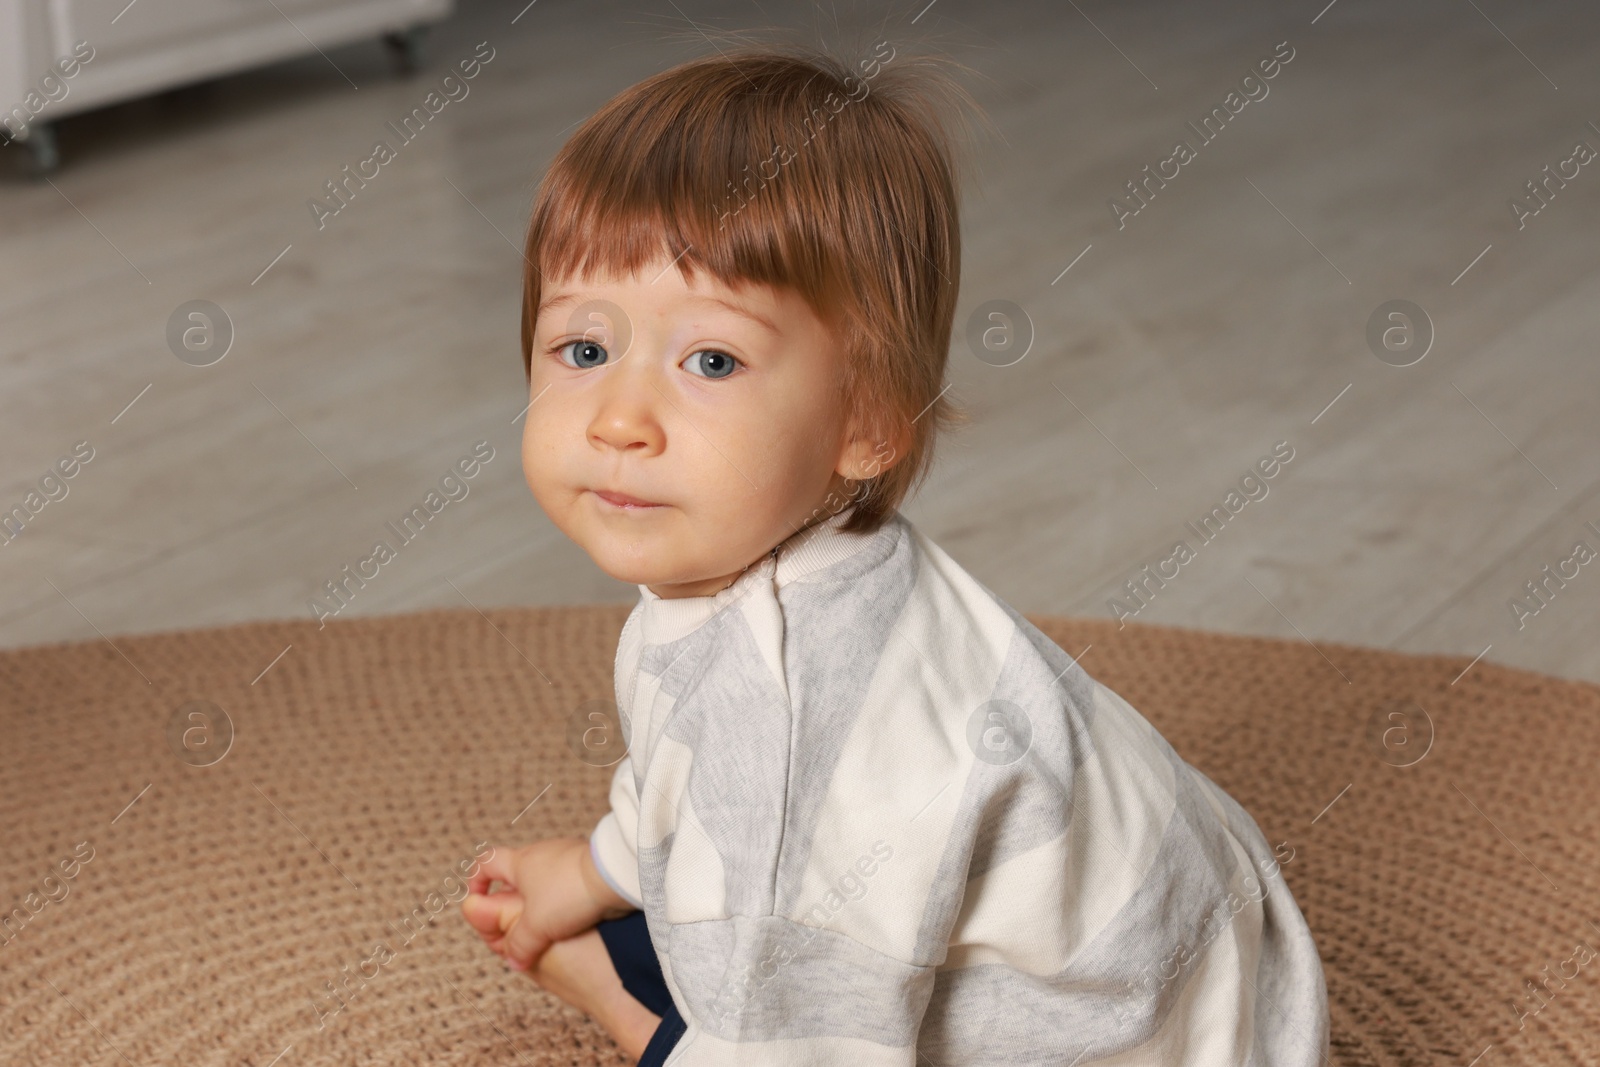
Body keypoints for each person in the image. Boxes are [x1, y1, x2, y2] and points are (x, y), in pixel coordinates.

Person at [461, 40, 1330, 1066]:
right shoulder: (777, 580)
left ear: (866, 422)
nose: (620, 417)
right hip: (1180, 963)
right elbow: (692, 774)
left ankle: (630, 1002)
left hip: (1129, 1037)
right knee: (725, 918)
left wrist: (614, 1000)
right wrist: (597, 869)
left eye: (710, 359)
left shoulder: (791, 706)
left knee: (727, 999)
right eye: (585, 348)